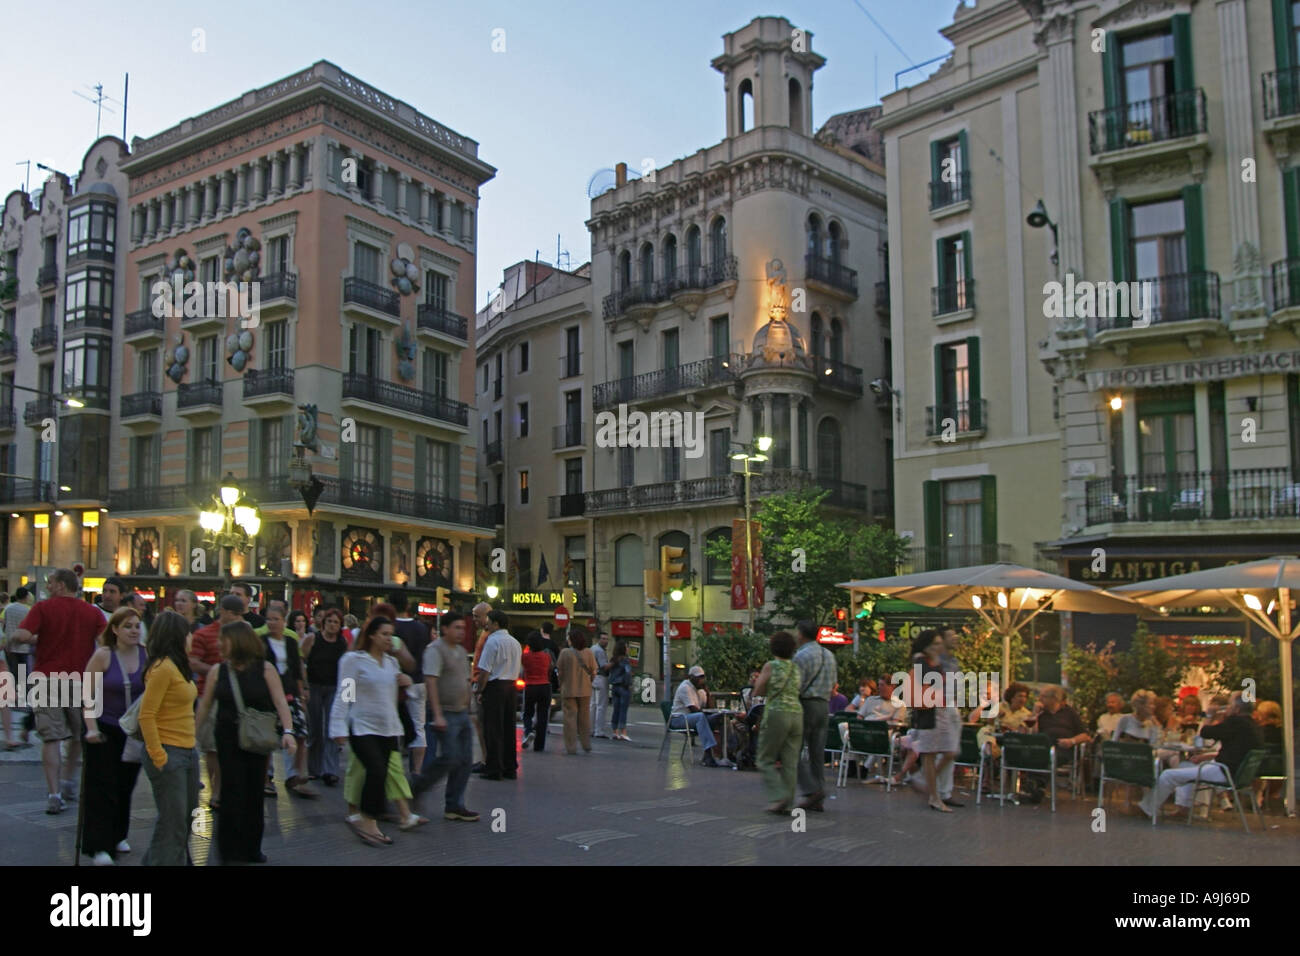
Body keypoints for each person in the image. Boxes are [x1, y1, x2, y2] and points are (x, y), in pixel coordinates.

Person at [193, 620, 295, 864]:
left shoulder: (265, 669)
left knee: (253, 792)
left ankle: (251, 846)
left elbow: (281, 701)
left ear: (237, 641)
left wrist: (289, 731)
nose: (218, 644)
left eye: (223, 640)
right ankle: (229, 850)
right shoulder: (219, 671)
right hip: (227, 738)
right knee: (231, 791)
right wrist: (191, 736)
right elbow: (205, 705)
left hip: (257, 738)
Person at [9, 569, 105, 813]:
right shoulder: (92, 612)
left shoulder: (43, 609)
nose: (48, 587)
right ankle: (69, 781)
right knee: (76, 734)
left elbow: (22, 635)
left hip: (47, 679)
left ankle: (54, 794)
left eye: (50, 583)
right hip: (80, 680)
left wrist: (18, 638)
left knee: (50, 737)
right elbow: (106, 642)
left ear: (61, 585)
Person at [330, 615, 411, 846]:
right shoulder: (354, 660)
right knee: (375, 770)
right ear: (372, 635)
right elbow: (345, 695)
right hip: (362, 726)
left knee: (381, 774)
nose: (389, 639)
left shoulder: (391, 663)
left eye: (391, 634)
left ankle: (368, 819)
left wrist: (406, 683)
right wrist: (338, 725)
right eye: (384, 634)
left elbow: (393, 698)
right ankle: (368, 821)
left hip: (387, 728)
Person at [81, 607, 146, 865]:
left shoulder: (146, 655)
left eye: (137, 625)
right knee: (102, 788)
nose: (133, 630)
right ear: (115, 629)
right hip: (105, 728)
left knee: (126, 785)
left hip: (133, 731)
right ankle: (99, 845)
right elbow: (88, 694)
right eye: (128, 626)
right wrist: (91, 727)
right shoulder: (103, 655)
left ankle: (119, 833)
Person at [137, 610, 199, 866]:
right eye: (187, 632)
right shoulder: (162, 668)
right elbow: (146, 715)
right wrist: (158, 755)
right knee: (173, 823)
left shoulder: (179, 667)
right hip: (168, 751)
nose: (191, 637)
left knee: (183, 820)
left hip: (187, 751)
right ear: (177, 636)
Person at [1140, 693, 1262, 820]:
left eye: (1230, 705)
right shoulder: (1254, 726)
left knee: (1167, 775)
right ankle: (1184, 809)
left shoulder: (1236, 722)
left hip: (1223, 771)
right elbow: (1235, 751)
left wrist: (1209, 715)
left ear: (1237, 709)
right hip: (1237, 774)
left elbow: (1205, 732)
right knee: (1184, 766)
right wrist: (1204, 757)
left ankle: (1146, 809)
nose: (1228, 708)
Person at [412, 612, 478, 821]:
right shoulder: (435, 650)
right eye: (457, 627)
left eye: (463, 628)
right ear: (446, 629)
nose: (461, 632)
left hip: (461, 712)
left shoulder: (460, 651)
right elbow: (431, 680)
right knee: (450, 756)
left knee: (465, 760)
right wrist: (437, 713)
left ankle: (454, 805)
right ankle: (417, 786)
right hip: (445, 712)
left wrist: (469, 706)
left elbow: (466, 680)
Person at [189, 595, 245, 807]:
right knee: (212, 747)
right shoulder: (204, 634)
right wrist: (219, 673)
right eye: (236, 614)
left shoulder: (243, 635)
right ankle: (216, 789)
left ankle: (225, 787)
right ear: (224, 612)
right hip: (210, 695)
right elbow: (193, 662)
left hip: (237, 697)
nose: (240, 618)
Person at [257, 601, 314, 798]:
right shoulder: (261, 641)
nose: (272, 623)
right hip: (267, 693)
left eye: (276, 619)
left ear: (284, 621)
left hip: (290, 691)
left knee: (300, 732)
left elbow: (296, 669)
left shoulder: (290, 642)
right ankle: (266, 778)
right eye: (269, 619)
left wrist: (302, 691)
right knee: (268, 738)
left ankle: (296, 774)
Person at [905, 630, 960, 812]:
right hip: (928, 711)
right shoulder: (921, 659)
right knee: (929, 754)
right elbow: (928, 679)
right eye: (936, 644)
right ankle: (934, 797)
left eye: (939, 643)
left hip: (940, 709)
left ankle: (924, 781)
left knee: (950, 751)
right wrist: (936, 659)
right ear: (927, 646)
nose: (939, 647)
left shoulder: (934, 659)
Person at [753, 630, 803, 813]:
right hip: (797, 714)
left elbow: (758, 690)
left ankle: (778, 796)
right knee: (790, 762)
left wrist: (761, 686)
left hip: (777, 713)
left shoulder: (771, 666)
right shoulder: (796, 668)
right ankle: (788, 803)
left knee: (764, 759)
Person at [300, 607, 347, 786]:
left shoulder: (342, 643)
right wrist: (303, 686)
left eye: (336, 622)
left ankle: (330, 770)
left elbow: (347, 668)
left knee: (331, 728)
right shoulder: (313, 639)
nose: (332, 625)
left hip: (333, 687)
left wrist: (348, 695)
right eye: (330, 621)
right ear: (323, 623)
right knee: (315, 728)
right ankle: (314, 768)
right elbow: (301, 660)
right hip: (314, 686)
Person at [474, 609, 521, 780]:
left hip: (495, 686)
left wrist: (479, 689)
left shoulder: (492, 642)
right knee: (509, 728)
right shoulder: (515, 643)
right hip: (511, 685)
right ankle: (510, 767)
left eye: (489, 621)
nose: (486, 624)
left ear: (496, 624)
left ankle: (494, 768)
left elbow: (485, 670)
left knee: (493, 729)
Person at [793, 620, 836, 809]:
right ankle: (818, 793)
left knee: (793, 748)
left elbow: (795, 684)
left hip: (806, 704)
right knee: (817, 752)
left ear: (801, 634)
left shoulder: (801, 656)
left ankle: (811, 790)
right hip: (824, 705)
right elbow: (834, 683)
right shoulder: (829, 656)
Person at [389, 591, 431, 773]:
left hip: (395, 683)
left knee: (392, 727)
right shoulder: (422, 628)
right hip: (419, 681)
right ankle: (417, 771)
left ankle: (394, 769)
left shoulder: (389, 628)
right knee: (419, 729)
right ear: (407, 606)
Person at [671, 665, 731, 767]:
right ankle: (708, 755)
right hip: (679, 719)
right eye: (699, 677)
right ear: (691, 678)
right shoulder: (685, 688)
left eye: (703, 677)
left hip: (694, 719)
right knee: (700, 717)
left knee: (721, 718)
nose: (701, 680)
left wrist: (707, 694)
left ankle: (727, 752)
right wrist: (708, 715)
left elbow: (709, 708)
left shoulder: (700, 690)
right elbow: (694, 710)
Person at [558, 630, 598, 755]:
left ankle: (571, 747)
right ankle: (586, 744)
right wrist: (589, 681)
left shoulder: (565, 653)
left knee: (570, 719)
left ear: (571, 639)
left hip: (569, 689)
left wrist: (561, 684)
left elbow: (560, 671)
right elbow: (594, 671)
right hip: (585, 690)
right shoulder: (589, 652)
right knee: (584, 719)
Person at [467, 602, 492, 770]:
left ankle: (486, 759)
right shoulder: (483, 633)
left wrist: (480, 687)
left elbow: (486, 665)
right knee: (479, 723)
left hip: (481, 683)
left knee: (482, 723)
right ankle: (485, 758)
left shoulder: (490, 636)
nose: (474, 619)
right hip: (477, 681)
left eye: (477, 615)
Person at [520, 631, 553, 751]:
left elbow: (523, 670)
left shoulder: (525, 656)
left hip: (530, 686)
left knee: (527, 713)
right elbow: (549, 669)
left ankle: (528, 731)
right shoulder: (547, 656)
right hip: (544, 686)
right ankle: (539, 745)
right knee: (543, 716)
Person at [607, 639, 633, 741]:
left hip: (615, 687)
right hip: (623, 687)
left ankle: (615, 731)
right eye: (627, 647)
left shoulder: (613, 660)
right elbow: (627, 673)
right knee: (623, 710)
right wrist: (628, 683)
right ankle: (623, 732)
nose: (628, 649)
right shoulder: (625, 660)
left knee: (616, 710)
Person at [590, 631, 611, 738]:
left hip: (592, 678)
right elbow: (604, 666)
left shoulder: (592, 648)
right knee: (601, 705)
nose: (605, 641)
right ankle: (599, 730)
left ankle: (590, 729)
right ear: (599, 639)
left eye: (606, 639)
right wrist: (613, 663)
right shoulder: (600, 651)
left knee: (592, 704)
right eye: (603, 638)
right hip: (601, 677)